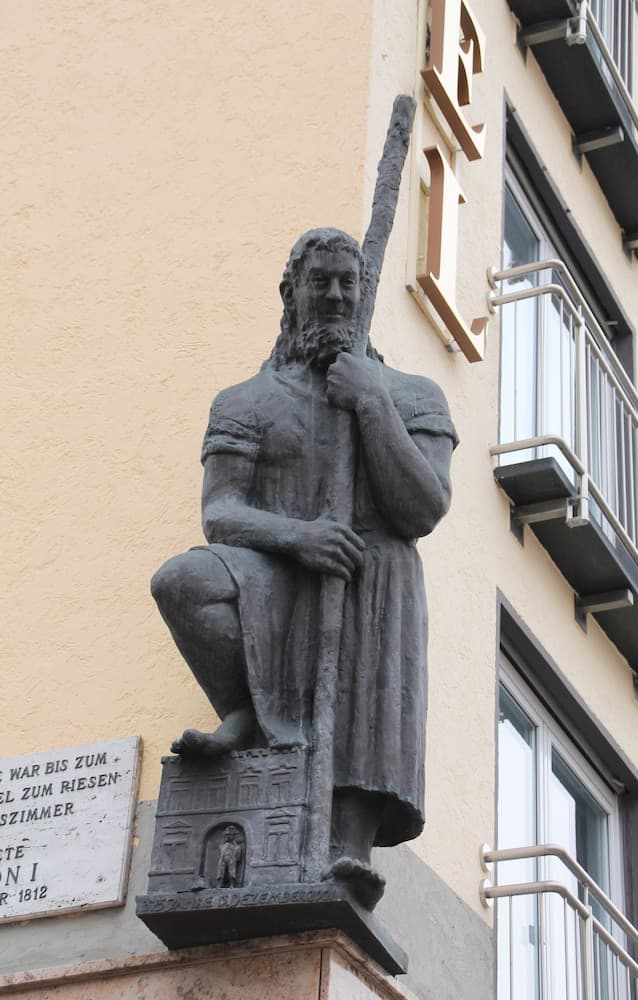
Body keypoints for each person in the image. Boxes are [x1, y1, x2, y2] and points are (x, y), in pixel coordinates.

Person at [151, 227, 458, 906]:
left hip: (369, 574)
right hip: (277, 570)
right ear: (291, 293)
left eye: (350, 282)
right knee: (182, 581)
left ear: (366, 294)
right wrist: (299, 537)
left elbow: (422, 508)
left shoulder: (413, 396)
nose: (336, 295)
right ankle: (241, 711)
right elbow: (221, 513)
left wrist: (370, 401)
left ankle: (349, 849)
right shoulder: (244, 401)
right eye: (320, 281)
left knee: (369, 638)